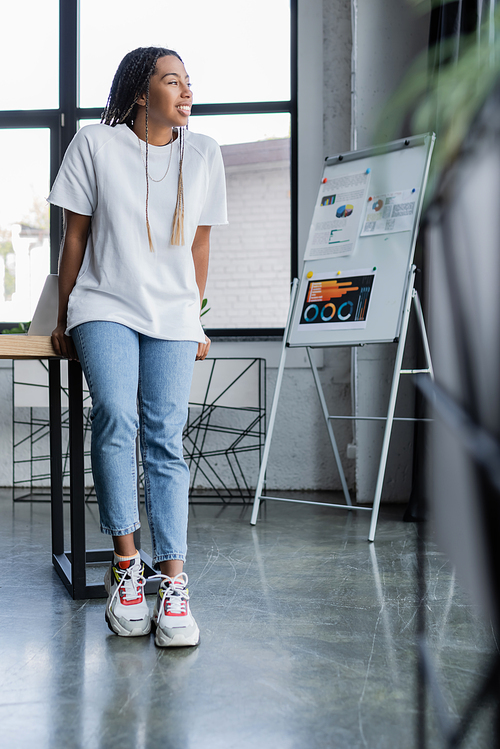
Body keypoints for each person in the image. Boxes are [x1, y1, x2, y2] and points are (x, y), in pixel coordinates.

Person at [49, 46, 227, 647]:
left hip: (172, 316)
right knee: (117, 417)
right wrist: (64, 315)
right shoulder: (94, 146)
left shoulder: (203, 153)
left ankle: (172, 582)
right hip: (104, 306)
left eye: (188, 81)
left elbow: (199, 249)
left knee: (166, 436)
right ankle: (127, 567)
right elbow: (74, 240)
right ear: (138, 90)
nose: (185, 91)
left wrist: (195, 319)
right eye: (171, 80)